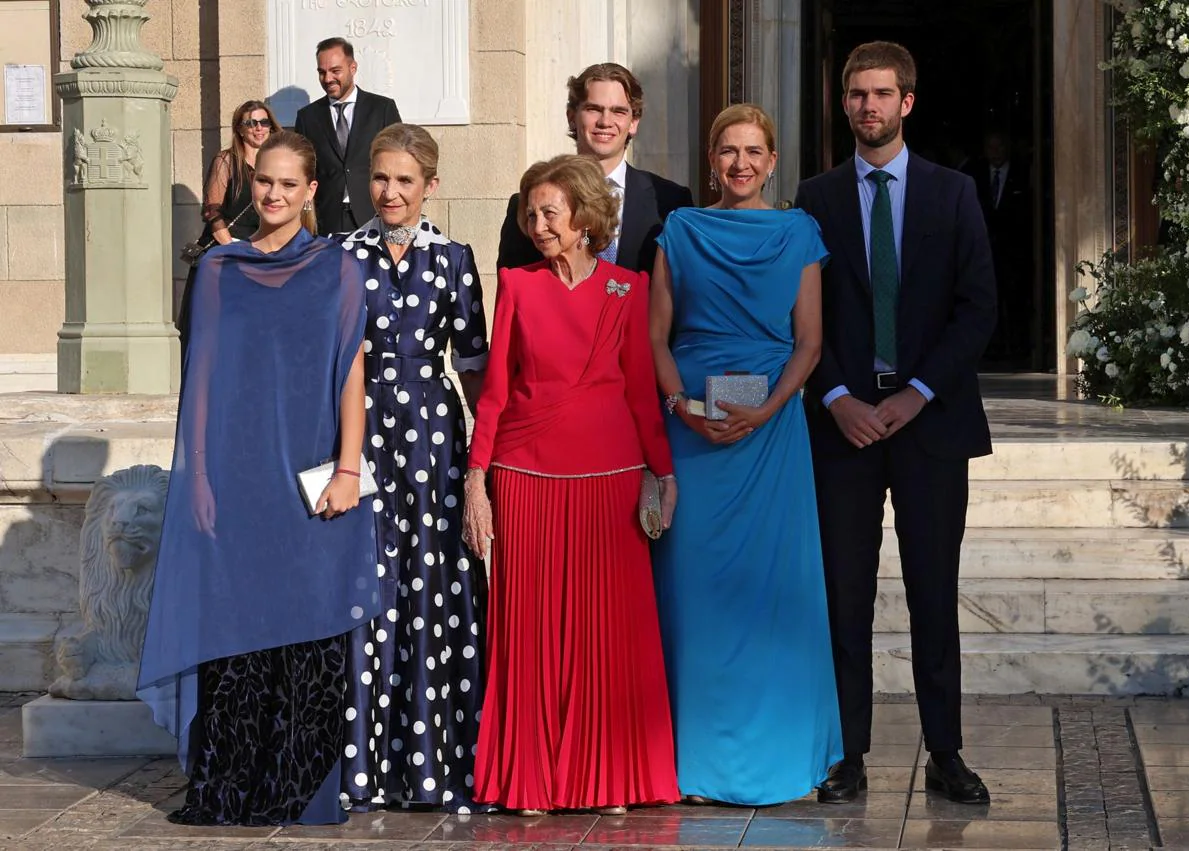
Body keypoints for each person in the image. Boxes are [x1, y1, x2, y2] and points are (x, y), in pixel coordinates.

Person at [138, 130, 378, 826]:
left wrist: (348, 468)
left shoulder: (339, 269)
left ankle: (299, 787)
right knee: (237, 628)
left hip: (311, 477)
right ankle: (230, 785)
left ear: (311, 191)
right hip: (237, 477)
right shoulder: (218, 269)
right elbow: (202, 379)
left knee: (308, 626)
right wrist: (202, 479)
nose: (272, 194)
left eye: (286, 184)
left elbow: (349, 374)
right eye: (262, 182)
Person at [793, 41, 997, 805]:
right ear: (844, 102)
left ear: (907, 102)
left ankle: (945, 751)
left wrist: (916, 391)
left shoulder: (953, 194)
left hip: (931, 424)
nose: (867, 106)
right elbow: (800, 313)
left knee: (931, 591)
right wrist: (837, 394)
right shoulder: (814, 199)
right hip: (842, 426)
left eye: (881, 94)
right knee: (844, 592)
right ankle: (848, 754)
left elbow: (978, 307)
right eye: (856, 94)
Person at [463, 154, 679, 815]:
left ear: (584, 217)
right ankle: (528, 778)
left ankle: (610, 776)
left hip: (610, 479)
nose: (536, 223)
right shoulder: (518, 285)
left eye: (548, 211)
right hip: (526, 476)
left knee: (606, 636)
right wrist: (478, 480)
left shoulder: (626, 288)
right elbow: (495, 392)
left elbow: (642, 393)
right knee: (528, 635)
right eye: (530, 212)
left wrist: (663, 473)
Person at [649, 104, 842, 806]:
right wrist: (680, 407)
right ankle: (696, 762)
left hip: (773, 434)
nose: (740, 163)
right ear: (711, 159)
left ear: (772, 160)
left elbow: (810, 342)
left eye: (753, 151)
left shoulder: (799, 232)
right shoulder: (681, 229)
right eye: (728, 151)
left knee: (772, 596)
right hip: (694, 434)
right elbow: (657, 337)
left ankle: (783, 755)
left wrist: (766, 408)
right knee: (696, 597)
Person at [335, 122, 490, 813]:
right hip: (360, 439)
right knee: (366, 586)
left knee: (432, 585)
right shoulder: (340, 256)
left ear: (431, 185)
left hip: (435, 445)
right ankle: (361, 768)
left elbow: (479, 370)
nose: (390, 192)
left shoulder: (455, 258)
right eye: (381, 178)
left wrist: (490, 461)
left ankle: (437, 767)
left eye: (405, 180)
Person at [495, 62, 693, 273]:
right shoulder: (529, 205)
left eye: (618, 111)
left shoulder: (671, 201)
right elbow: (513, 288)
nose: (605, 121)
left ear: (633, 122)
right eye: (593, 109)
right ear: (571, 117)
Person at [177, 100, 281, 353]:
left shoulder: (276, 164)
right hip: (227, 252)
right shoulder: (226, 161)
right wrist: (233, 249)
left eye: (263, 122)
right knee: (218, 330)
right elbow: (212, 212)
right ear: (240, 128)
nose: (259, 128)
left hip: (262, 253)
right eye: (251, 123)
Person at [294, 38, 402, 234]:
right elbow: (302, 169)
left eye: (335, 71)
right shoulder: (307, 117)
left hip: (375, 214)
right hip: (326, 220)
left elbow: (400, 161)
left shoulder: (382, 109)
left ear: (353, 68)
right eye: (321, 72)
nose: (327, 79)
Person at [968, 131, 1031, 365]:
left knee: (1015, 303)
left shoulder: (1024, 174)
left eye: (999, 147)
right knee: (984, 301)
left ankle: (1018, 349)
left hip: (1015, 254)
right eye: (990, 147)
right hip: (983, 252)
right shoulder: (972, 176)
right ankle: (989, 349)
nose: (995, 152)